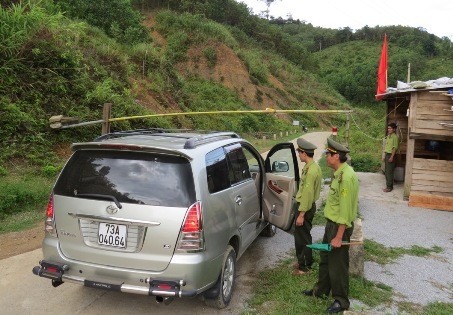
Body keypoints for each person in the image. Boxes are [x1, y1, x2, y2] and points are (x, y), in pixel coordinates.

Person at [302, 138, 359, 314]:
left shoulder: (346, 177)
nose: (326, 156)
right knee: (325, 259)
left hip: (339, 227)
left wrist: (339, 236)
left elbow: (345, 210)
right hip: (331, 224)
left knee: (338, 264)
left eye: (328, 154)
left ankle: (341, 301)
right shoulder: (339, 173)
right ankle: (321, 291)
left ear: (337, 156)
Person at [292, 138, 322, 276]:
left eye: (299, 152)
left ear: (304, 153)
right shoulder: (313, 167)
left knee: (303, 238)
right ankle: (303, 261)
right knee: (302, 235)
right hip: (307, 206)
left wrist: (301, 214)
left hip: (305, 207)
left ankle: (304, 267)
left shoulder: (310, 171)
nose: (298, 155)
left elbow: (307, 194)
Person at [383, 123, 399, 192]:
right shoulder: (389, 136)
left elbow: (394, 148)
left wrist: (392, 157)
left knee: (389, 172)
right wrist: (384, 156)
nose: (388, 129)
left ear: (394, 129)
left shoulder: (395, 137)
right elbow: (387, 147)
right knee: (386, 171)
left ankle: (389, 187)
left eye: (390, 128)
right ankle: (388, 185)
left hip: (391, 155)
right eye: (388, 128)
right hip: (387, 155)